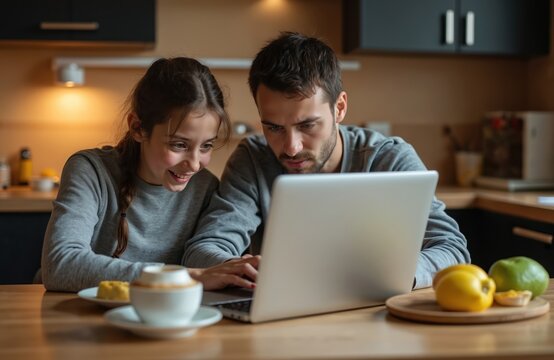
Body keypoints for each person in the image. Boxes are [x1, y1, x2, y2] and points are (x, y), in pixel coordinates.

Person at [183, 32, 470, 289]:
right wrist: (242, 270)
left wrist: (392, 276)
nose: (291, 148)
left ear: (340, 108)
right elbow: (204, 249)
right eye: (273, 127)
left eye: (307, 125)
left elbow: (452, 249)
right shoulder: (253, 159)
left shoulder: (389, 159)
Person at [41, 57, 259, 292]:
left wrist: (229, 268)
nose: (195, 164)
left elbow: (203, 255)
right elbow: (59, 264)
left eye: (206, 146)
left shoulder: (204, 188)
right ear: (137, 128)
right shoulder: (90, 171)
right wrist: (186, 277)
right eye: (178, 145)